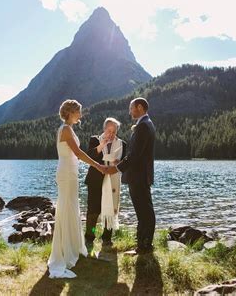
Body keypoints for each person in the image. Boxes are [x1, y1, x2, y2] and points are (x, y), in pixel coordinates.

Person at [48, 99, 107, 279]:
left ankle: (72, 247)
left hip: (70, 172)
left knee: (71, 208)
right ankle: (64, 251)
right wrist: (97, 166)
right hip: (66, 173)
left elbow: (79, 153)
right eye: (78, 112)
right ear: (70, 112)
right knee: (67, 208)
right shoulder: (65, 129)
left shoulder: (69, 129)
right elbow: (79, 153)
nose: (80, 115)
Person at [106, 97, 156, 255]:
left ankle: (144, 247)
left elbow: (134, 155)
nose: (129, 112)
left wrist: (116, 168)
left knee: (144, 212)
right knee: (144, 211)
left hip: (139, 176)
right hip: (140, 175)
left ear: (139, 107)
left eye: (131, 108)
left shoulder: (143, 126)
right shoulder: (146, 124)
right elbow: (137, 154)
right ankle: (144, 245)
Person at [84, 117, 127, 248]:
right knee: (93, 211)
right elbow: (90, 156)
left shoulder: (122, 144)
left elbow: (125, 162)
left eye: (114, 131)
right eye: (109, 130)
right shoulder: (95, 139)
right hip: (96, 180)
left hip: (113, 180)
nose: (111, 134)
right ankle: (90, 236)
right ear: (104, 129)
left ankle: (107, 238)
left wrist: (118, 163)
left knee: (111, 210)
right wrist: (102, 145)